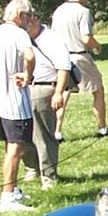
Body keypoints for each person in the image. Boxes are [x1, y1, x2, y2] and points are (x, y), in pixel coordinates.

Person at [0, 0, 36, 213]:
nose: (30, 20)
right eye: (29, 15)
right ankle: (7, 198)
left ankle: (12, 188)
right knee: (17, 147)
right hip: (15, 101)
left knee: (8, 145)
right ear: (20, 15)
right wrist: (27, 76)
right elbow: (30, 56)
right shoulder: (19, 34)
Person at [51, 0, 108, 140]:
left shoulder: (59, 11)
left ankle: (56, 132)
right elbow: (86, 38)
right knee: (98, 89)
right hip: (79, 55)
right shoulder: (83, 12)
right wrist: (97, 46)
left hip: (62, 57)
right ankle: (102, 128)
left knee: (63, 92)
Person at [23, 11, 70, 191]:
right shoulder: (22, 38)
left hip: (44, 88)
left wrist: (58, 93)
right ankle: (32, 167)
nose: (26, 24)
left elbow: (63, 68)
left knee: (43, 135)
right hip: (26, 87)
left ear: (36, 19)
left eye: (29, 19)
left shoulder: (52, 38)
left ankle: (49, 176)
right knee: (25, 133)